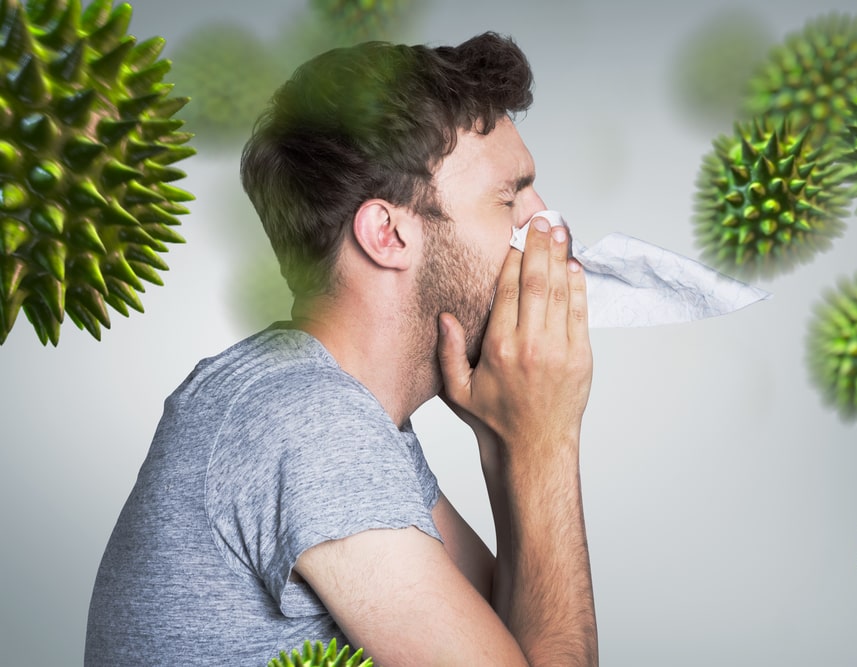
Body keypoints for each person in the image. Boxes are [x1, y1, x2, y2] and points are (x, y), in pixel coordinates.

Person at [85, 32, 598, 666]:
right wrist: (547, 442)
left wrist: (509, 441)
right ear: (388, 233)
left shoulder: (322, 406)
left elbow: (516, 635)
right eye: (509, 196)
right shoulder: (306, 420)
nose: (546, 223)